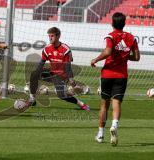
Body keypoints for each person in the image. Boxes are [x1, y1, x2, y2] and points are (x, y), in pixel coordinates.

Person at [91, 12, 140, 146]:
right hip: (121, 76)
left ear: (112, 23)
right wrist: (124, 56)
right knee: (116, 103)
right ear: (124, 23)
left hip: (107, 74)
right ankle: (114, 126)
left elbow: (107, 52)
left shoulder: (110, 36)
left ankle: (100, 135)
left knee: (104, 105)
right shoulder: (131, 38)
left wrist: (95, 59)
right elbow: (136, 57)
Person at [28, 27, 90, 111]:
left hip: (61, 76)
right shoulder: (46, 49)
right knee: (34, 73)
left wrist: (71, 80)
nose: (50, 38)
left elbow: (68, 66)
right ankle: (32, 99)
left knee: (62, 95)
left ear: (58, 36)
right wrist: (34, 78)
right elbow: (41, 63)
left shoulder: (66, 49)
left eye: (52, 36)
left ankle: (81, 104)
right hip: (51, 73)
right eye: (49, 36)